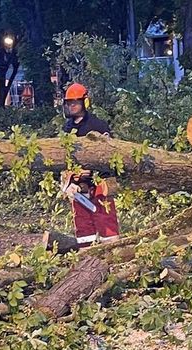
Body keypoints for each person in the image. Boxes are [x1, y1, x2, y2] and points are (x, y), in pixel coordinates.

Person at [59, 83, 120, 248]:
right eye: (69, 103)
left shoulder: (98, 126)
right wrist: (68, 181)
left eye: (75, 102)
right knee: (82, 222)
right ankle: (86, 252)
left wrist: (91, 170)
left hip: (99, 181)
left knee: (106, 219)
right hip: (79, 184)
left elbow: (108, 155)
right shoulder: (67, 128)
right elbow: (64, 157)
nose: (72, 106)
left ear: (85, 102)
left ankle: (112, 251)